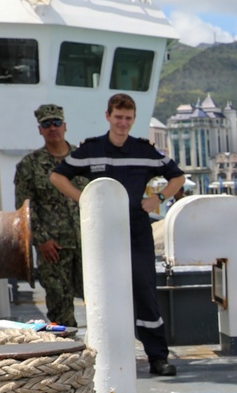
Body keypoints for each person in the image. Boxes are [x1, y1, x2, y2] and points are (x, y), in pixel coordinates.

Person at [49, 93, 185, 376]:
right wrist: (83, 199)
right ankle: (105, 357)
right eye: (118, 117)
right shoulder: (91, 149)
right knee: (104, 292)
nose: (123, 123)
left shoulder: (144, 150)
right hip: (102, 232)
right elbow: (58, 176)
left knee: (145, 291)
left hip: (136, 230)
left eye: (128, 118)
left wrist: (157, 198)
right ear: (108, 116)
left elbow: (178, 176)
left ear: (133, 120)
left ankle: (158, 358)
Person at [14, 104, 87, 326]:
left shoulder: (84, 160)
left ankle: (105, 355)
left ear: (64, 126)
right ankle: (68, 355)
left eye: (56, 123)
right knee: (59, 306)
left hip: (87, 244)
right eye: (46, 124)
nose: (52, 128)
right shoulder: (29, 166)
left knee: (99, 300)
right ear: (40, 130)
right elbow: (25, 208)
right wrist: (42, 240)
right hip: (54, 249)